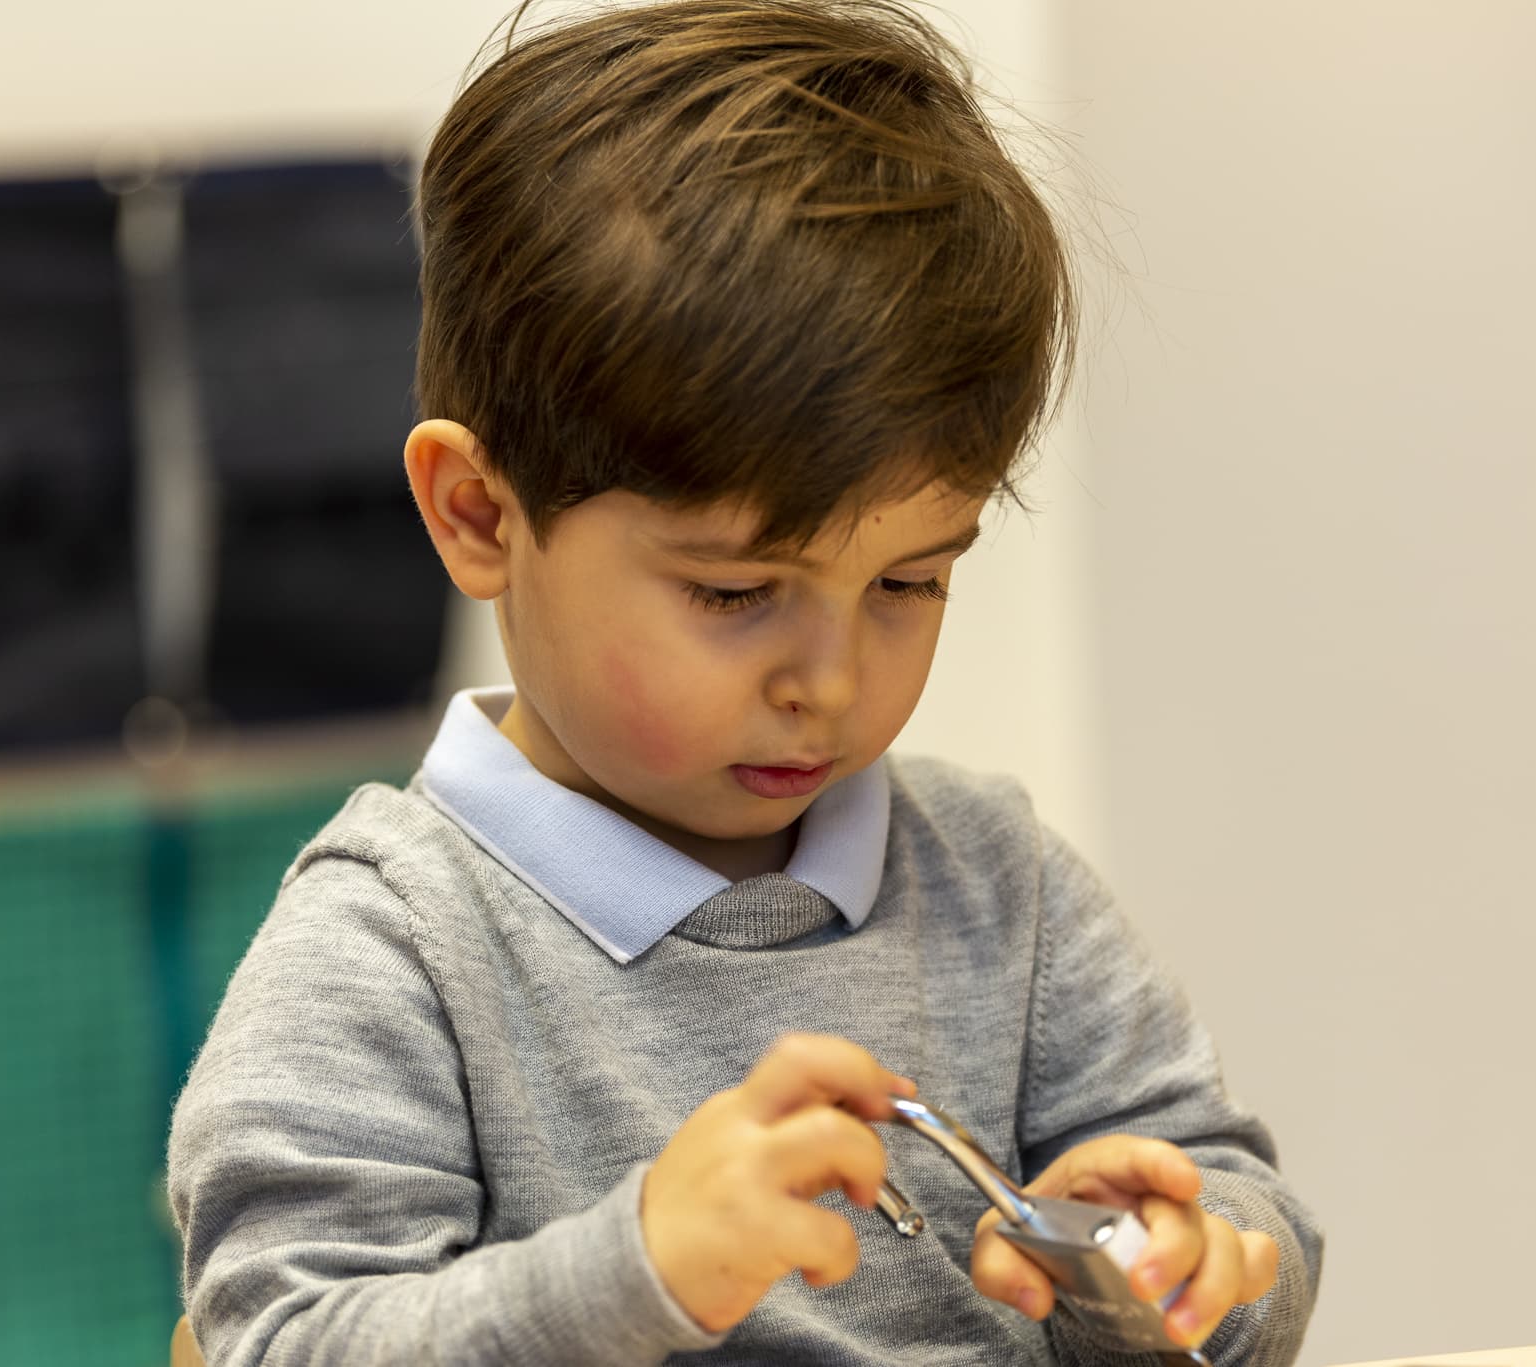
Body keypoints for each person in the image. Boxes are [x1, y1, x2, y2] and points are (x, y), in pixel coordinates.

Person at [166, 2, 1323, 1363]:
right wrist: (635, 1268)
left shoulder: (997, 888)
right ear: (481, 515)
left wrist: (1185, 1270)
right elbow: (281, 1342)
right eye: (733, 593)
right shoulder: (398, 946)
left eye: (908, 583)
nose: (828, 682)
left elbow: (1248, 1216)